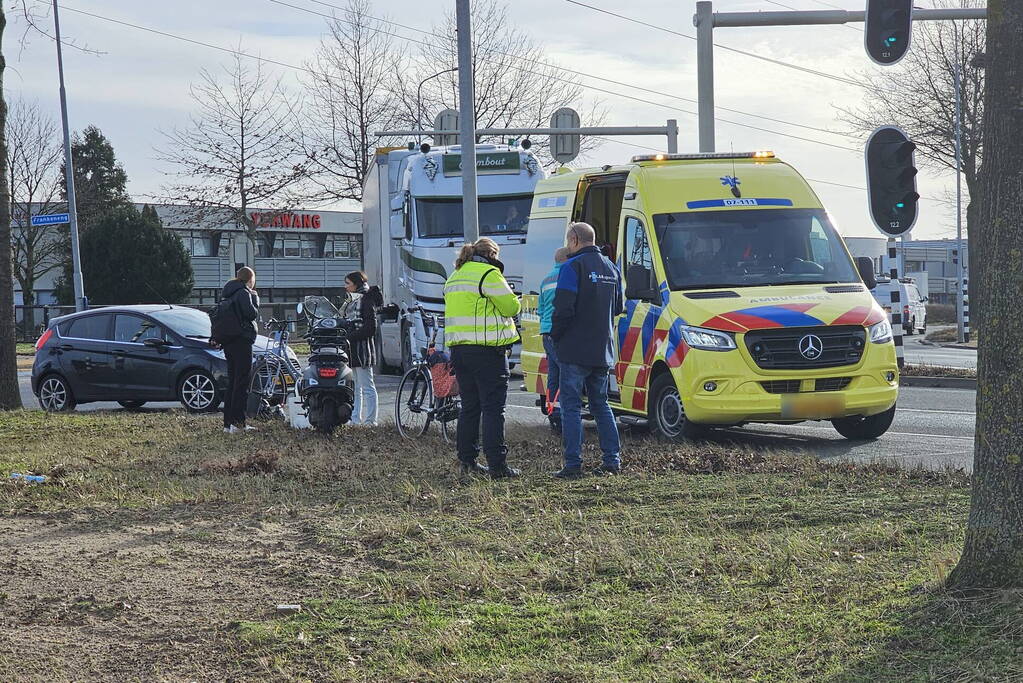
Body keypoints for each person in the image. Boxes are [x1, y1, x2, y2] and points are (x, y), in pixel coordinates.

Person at [442, 237, 521, 479]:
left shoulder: (455, 276)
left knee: (470, 408)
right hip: (487, 351)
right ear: (492, 255)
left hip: (460, 351)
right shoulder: (488, 274)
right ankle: (497, 465)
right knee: (493, 409)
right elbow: (511, 308)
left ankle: (467, 461)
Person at [550, 222, 624, 478]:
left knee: (570, 406)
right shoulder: (611, 267)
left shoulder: (572, 266)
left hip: (574, 348)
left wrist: (556, 337)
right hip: (602, 348)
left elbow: (563, 309)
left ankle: (573, 464)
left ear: (573, 239)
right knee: (601, 405)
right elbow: (618, 307)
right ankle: (612, 460)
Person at [216, 266, 260, 433]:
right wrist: (255, 299)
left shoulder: (227, 292)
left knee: (233, 382)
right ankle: (239, 423)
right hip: (242, 341)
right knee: (242, 382)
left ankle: (228, 424)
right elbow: (251, 314)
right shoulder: (244, 293)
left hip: (229, 341)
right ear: (250, 279)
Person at [344, 271, 384, 427]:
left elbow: (370, 328)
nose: (345, 287)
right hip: (353, 349)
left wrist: (350, 336)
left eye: (348, 283)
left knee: (367, 386)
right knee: (356, 387)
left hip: (363, 350)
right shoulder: (356, 299)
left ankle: (371, 421)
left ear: (356, 284)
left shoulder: (365, 300)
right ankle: (355, 419)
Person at [538, 247, 571, 434]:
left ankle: (553, 412)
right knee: (566, 374)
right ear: (567, 259)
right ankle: (563, 416)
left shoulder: (546, 279)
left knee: (554, 375)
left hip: (546, 333)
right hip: (561, 333)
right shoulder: (567, 278)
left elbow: (541, 310)